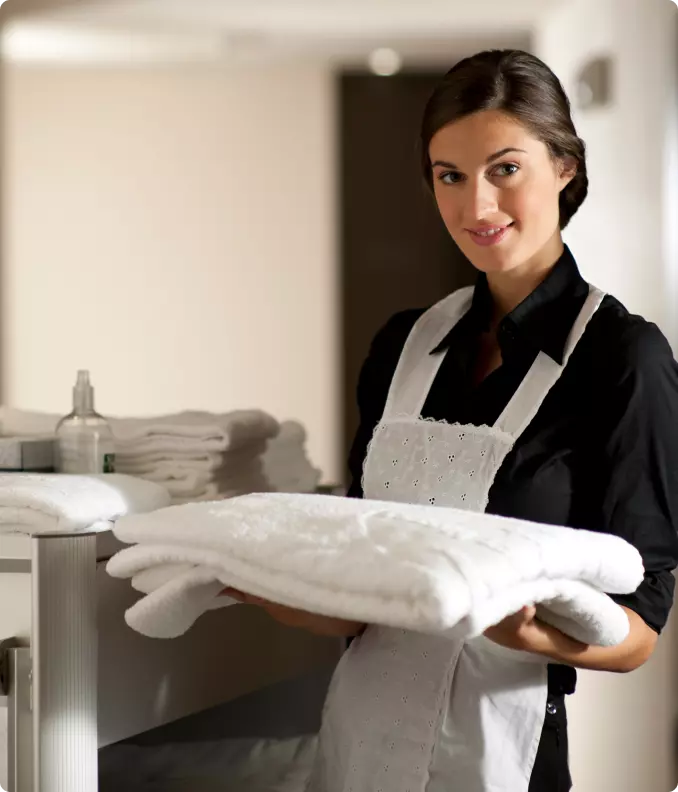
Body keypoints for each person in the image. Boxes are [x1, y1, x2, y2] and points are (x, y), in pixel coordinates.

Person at [224, 49, 678, 791]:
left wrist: (522, 630)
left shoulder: (623, 358)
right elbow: (366, 591)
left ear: (564, 166)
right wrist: (278, 588)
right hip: (358, 741)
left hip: (505, 752)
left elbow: (638, 633)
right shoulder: (404, 345)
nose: (477, 209)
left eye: (505, 169)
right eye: (450, 176)